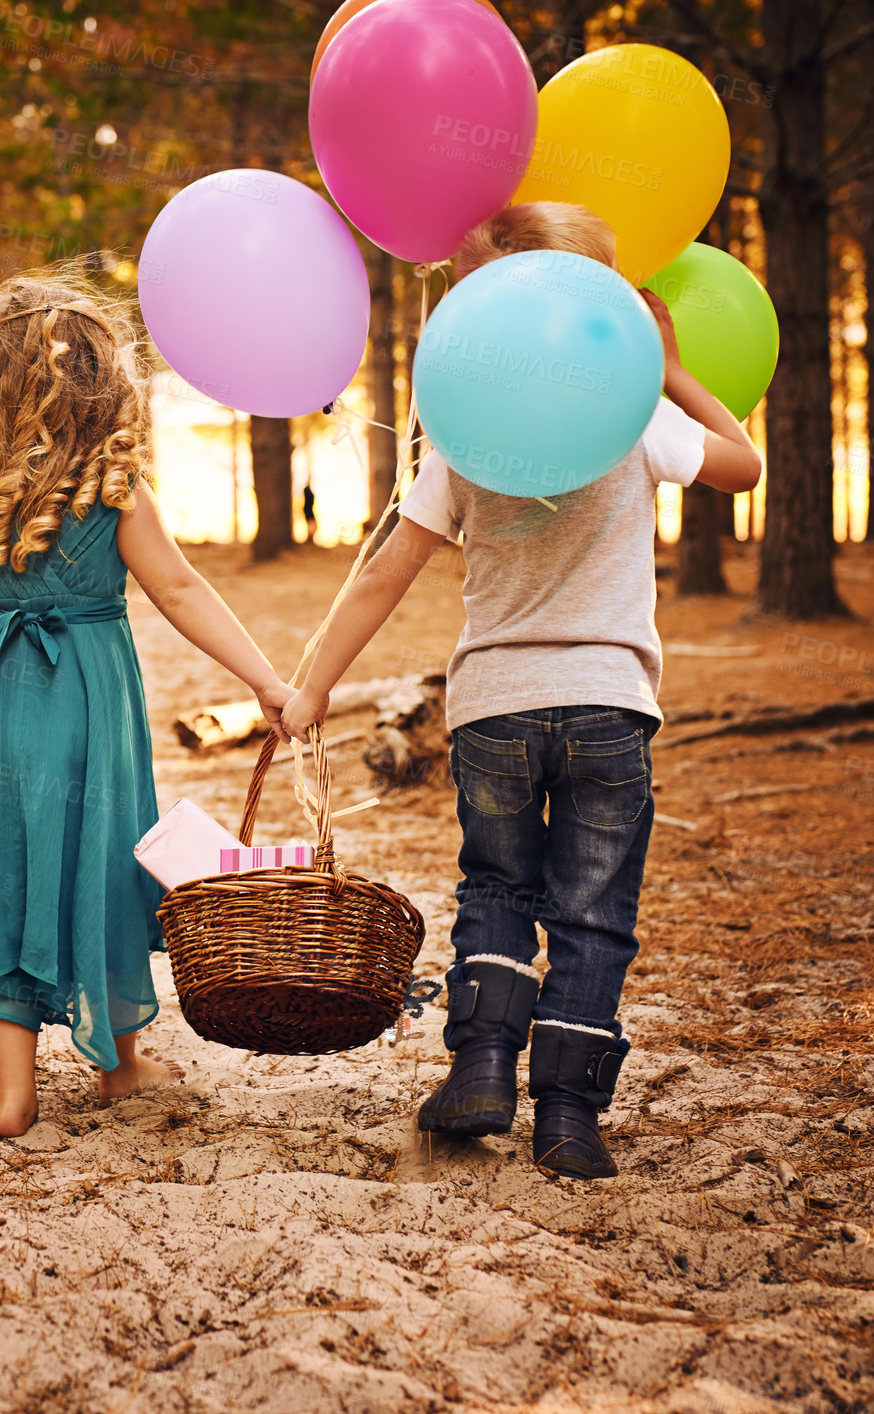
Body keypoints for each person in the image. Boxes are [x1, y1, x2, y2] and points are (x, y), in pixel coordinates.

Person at [281, 203, 762, 1179]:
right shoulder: (634, 416)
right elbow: (743, 466)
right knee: (592, 914)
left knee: (496, 886)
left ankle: (484, 1067)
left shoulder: (466, 431)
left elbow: (385, 567)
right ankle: (569, 1119)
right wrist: (667, 368)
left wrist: (311, 686)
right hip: (607, 703)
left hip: (495, 702)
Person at [0, 264, 293, 1138]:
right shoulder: (113, 484)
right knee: (100, 863)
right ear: (101, 379)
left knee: (2, 870)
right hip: (89, 712)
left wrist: (4, 594)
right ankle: (119, 1065)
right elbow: (182, 591)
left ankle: (12, 1095)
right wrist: (267, 682)